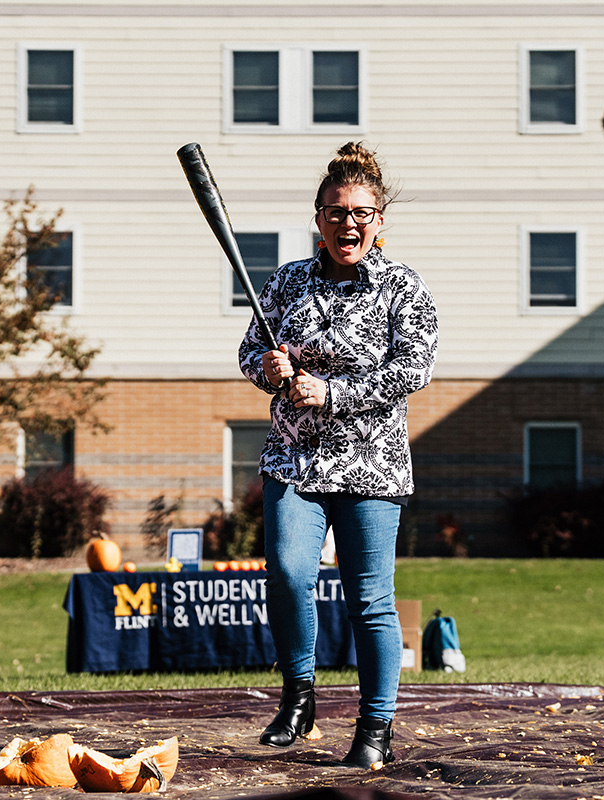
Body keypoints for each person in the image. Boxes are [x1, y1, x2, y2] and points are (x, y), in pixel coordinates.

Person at [238, 142, 438, 768]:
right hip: (294, 461)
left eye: (361, 212)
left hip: (372, 464)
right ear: (317, 218)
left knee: (369, 598)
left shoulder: (405, 288)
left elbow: (413, 371)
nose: (347, 222)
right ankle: (298, 698)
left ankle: (376, 727)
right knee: (290, 574)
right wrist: (271, 370)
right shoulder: (288, 281)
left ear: (379, 221)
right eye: (334, 211)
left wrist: (333, 391)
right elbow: (249, 352)